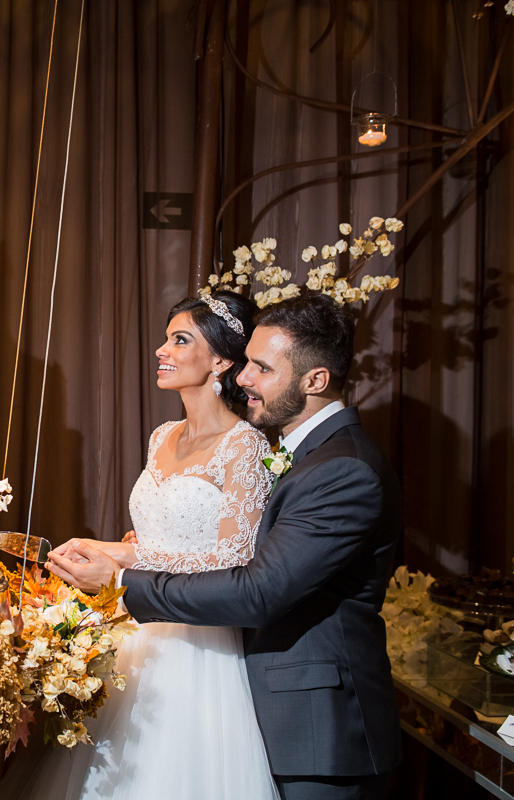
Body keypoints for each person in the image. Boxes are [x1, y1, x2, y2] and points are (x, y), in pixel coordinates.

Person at [48, 293, 403, 800]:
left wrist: (121, 578)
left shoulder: (344, 469)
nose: (244, 377)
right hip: (268, 698)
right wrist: (138, 549)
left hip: (320, 727)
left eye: (262, 368)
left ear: (315, 380)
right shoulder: (308, 454)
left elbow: (258, 590)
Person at [0, 290, 280, 800]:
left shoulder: (245, 445)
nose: (162, 351)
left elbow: (234, 558)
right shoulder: (162, 436)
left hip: (198, 642)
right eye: (166, 339)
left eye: (180, 340)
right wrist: (99, 546)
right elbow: (159, 537)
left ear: (220, 361)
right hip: (133, 630)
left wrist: (124, 556)